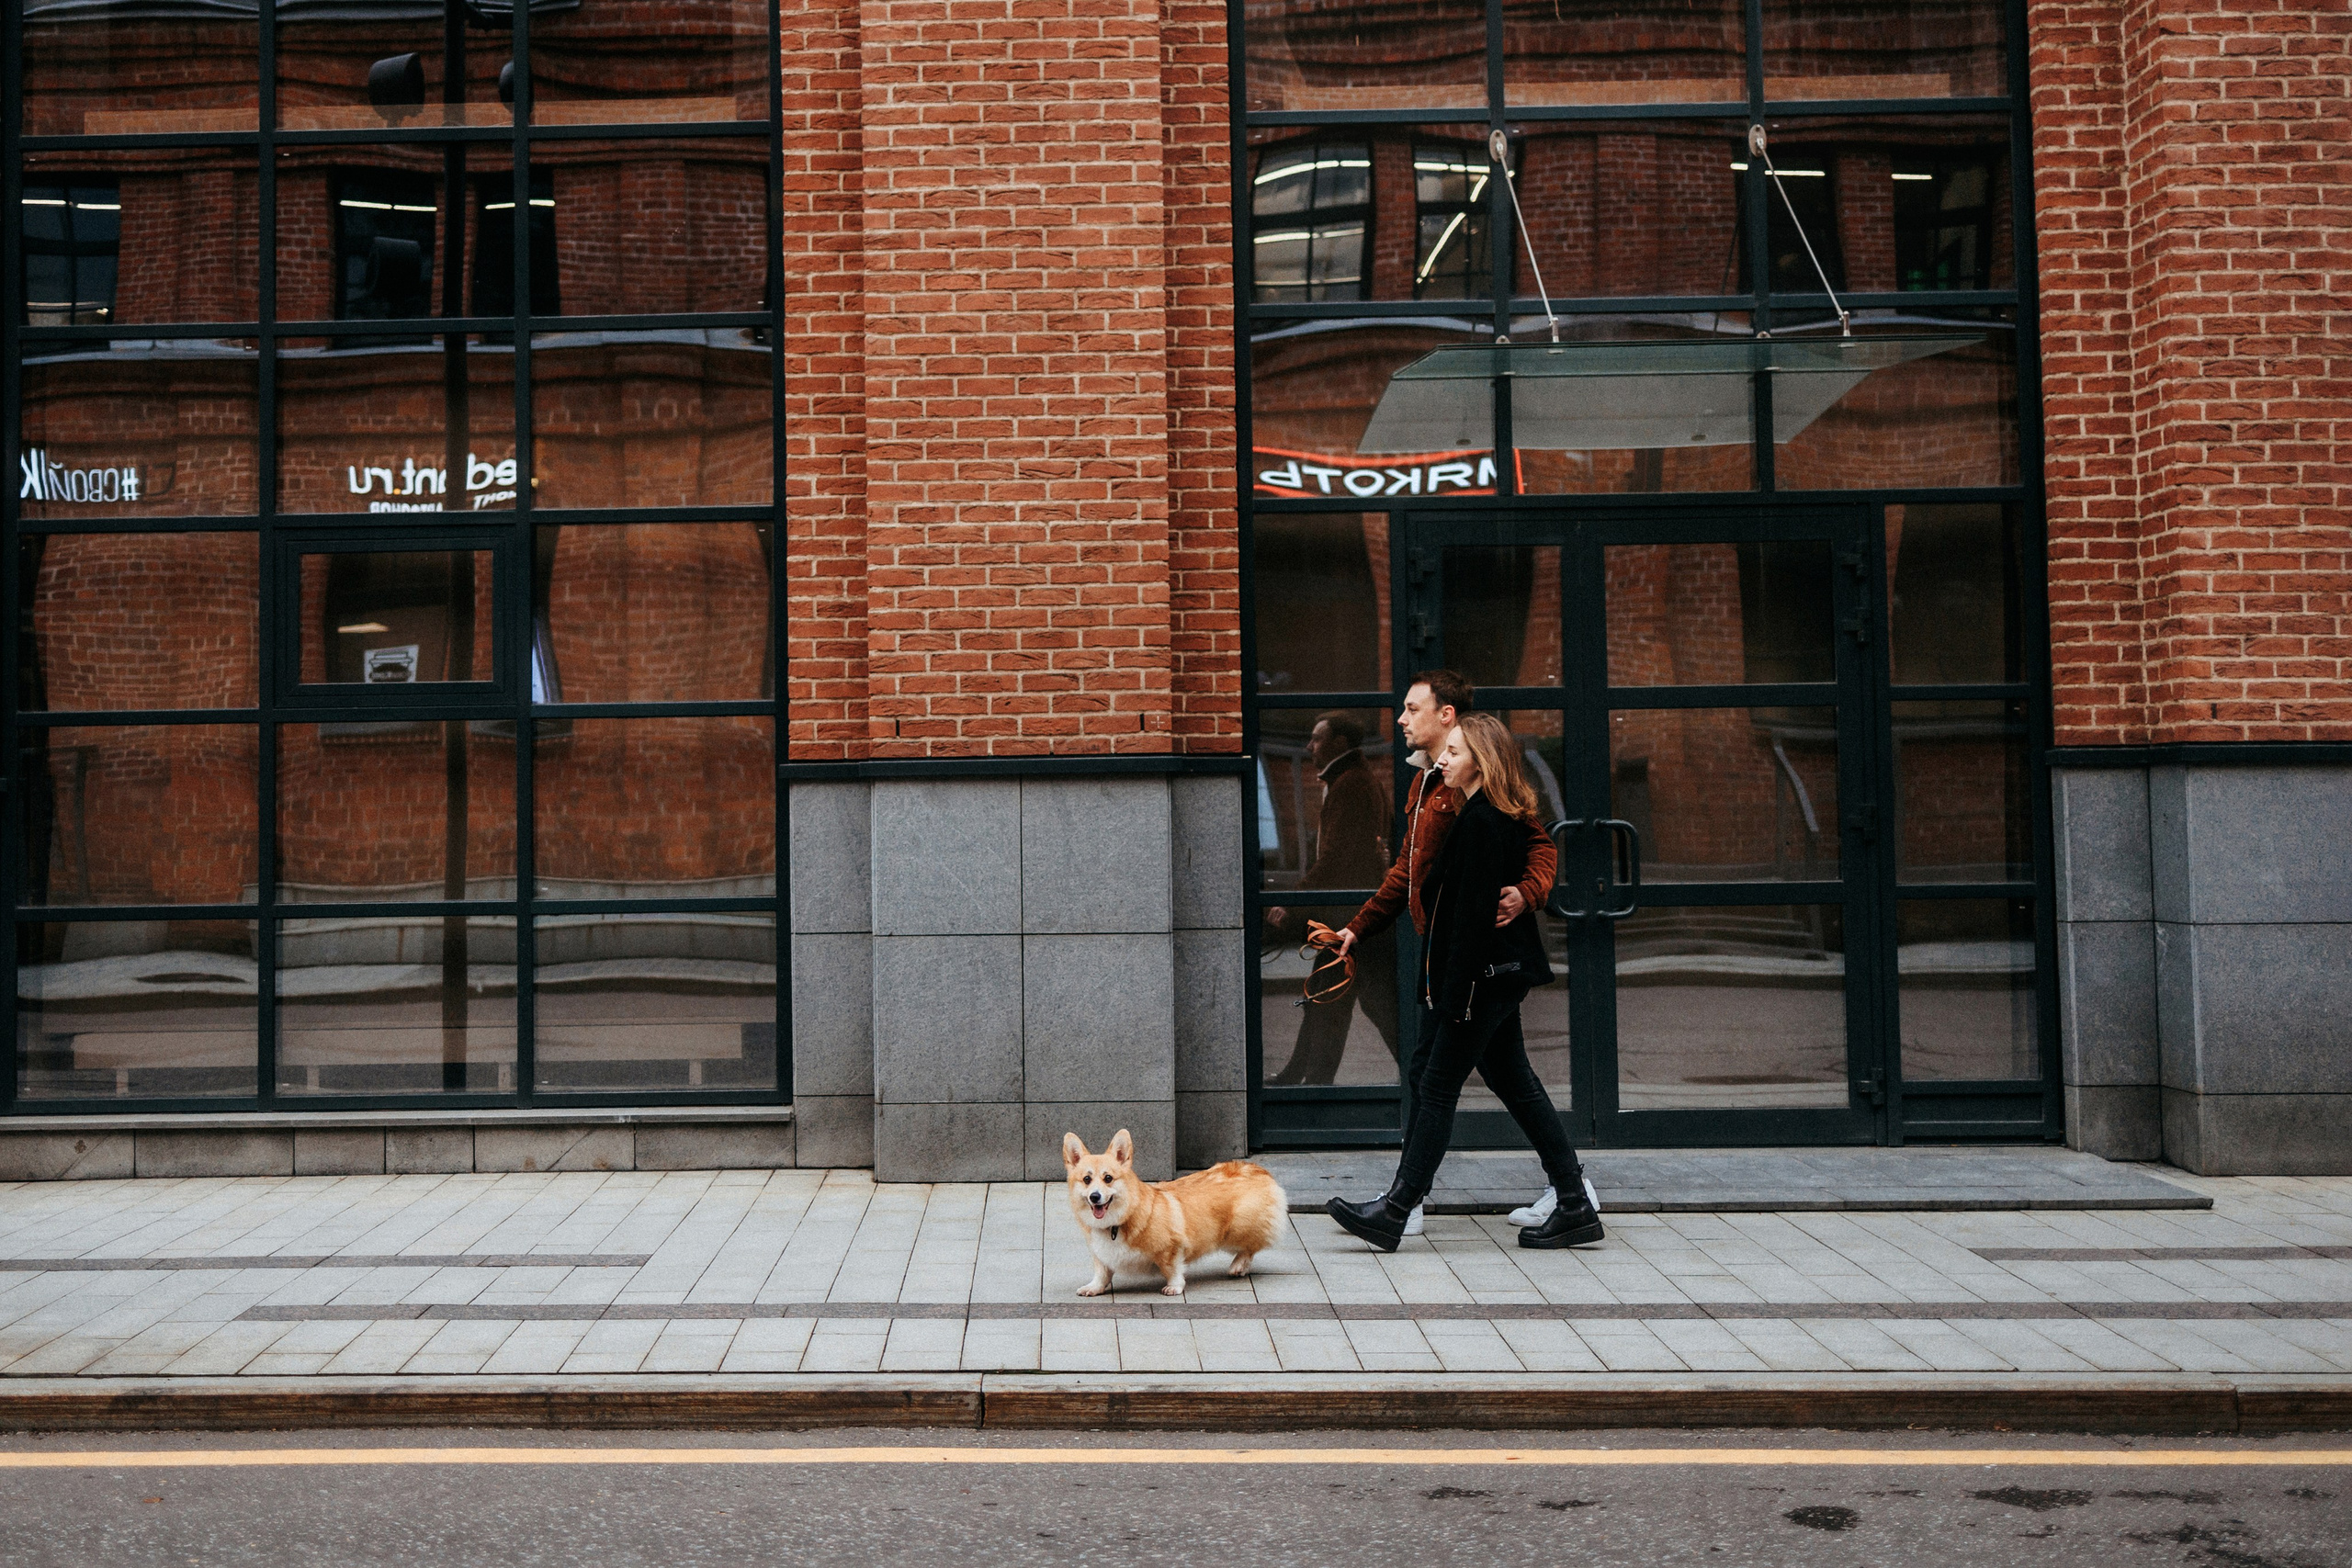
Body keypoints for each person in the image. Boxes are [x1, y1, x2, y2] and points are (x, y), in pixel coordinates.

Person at [1327, 713, 1603, 1252]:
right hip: (1491, 980)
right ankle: (1573, 1202)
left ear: (1482, 759)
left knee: (1435, 1084)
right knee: (1512, 1081)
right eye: (1444, 752)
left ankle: (1398, 1207)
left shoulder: (1481, 822)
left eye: (1454, 751)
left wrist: (1452, 998)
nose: (1444, 758)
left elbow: (1471, 923)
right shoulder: (1481, 813)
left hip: (1479, 983)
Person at [1263, 713, 1398, 1084]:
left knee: (1358, 1003)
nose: (1310, 746)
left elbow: (1336, 858)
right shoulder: (1354, 779)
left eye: (1317, 739)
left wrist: (1293, 903)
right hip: (1354, 917)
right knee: (1326, 998)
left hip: (1351, 919)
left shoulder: (1350, 784)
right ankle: (1304, 1077)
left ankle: (1316, 1082)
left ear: (1339, 743)